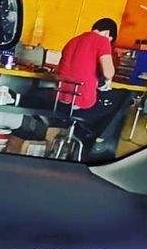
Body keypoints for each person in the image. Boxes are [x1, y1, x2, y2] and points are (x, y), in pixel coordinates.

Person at [53, 18, 133, 159]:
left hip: (60, 104)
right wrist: (107, 80)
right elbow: (108, 72)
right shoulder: (102, 41)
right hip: (82, 106)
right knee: (124, 98)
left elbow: (59, 73)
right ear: (107, 33)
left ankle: (85, 134)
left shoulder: (73, 41)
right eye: (110, 39)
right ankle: (98, 144)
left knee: (104, 103)